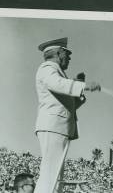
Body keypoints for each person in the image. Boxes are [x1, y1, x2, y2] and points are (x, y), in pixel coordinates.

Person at [34, 37, 101, 193]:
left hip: (59, 127)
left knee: (55, 176)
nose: (69, 58)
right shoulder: (47, 67)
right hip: (53, 126)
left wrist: (79, 89)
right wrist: (83, 85)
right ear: (58, 53)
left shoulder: (57, 73)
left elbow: (70, 106)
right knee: (50, 175)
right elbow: (56, 83)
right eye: (67, 54)